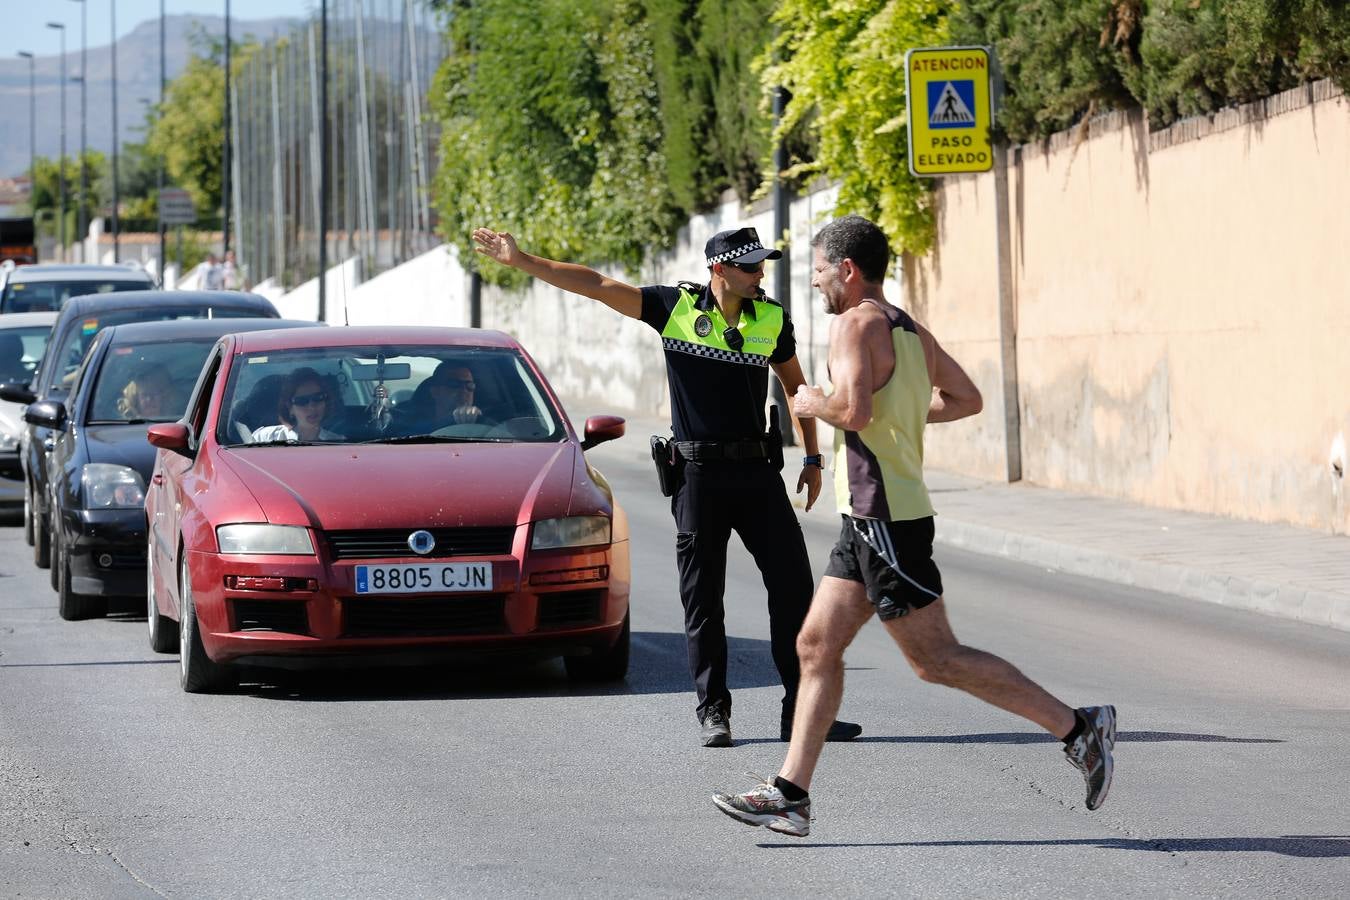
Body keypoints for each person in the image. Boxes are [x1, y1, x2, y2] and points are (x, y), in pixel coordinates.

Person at [711, 214, 1117, 836]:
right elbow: (965, 399)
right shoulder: (908, 329)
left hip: (885, 518)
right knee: (815, 646)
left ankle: (1077, 728)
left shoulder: (852, 325)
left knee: (937, 660)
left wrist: (811, 402)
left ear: (846, 269)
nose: (815, 282)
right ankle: (791, 793)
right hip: (870, 517)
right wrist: (899, 415)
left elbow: (851, 409)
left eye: (818, 269)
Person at [473, 224, 861, 748]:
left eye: (763, 265)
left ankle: (802, 711)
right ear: (718, 269)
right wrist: (524, 262)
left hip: (757, 476)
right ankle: (714, 711)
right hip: (698, 476)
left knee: (793, 591)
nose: (760, 274)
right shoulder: (673, 308)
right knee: (704, 600)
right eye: (751, 266)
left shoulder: (771, 318)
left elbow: (796, 387)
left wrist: (813, 457)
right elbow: (596, 283)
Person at [251, 367, 343, 443]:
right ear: (290, 408)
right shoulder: (264, 438)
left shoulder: (341, 444)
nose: (312, 406)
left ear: (325, 402)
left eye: (318, 397)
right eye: (302, 401)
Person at [400, 361, 488, 430]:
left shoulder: (484, 427)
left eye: (470, 386)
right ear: (435, 391)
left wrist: (479, 422)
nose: (464, 391)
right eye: (454, 384)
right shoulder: (413, 428)